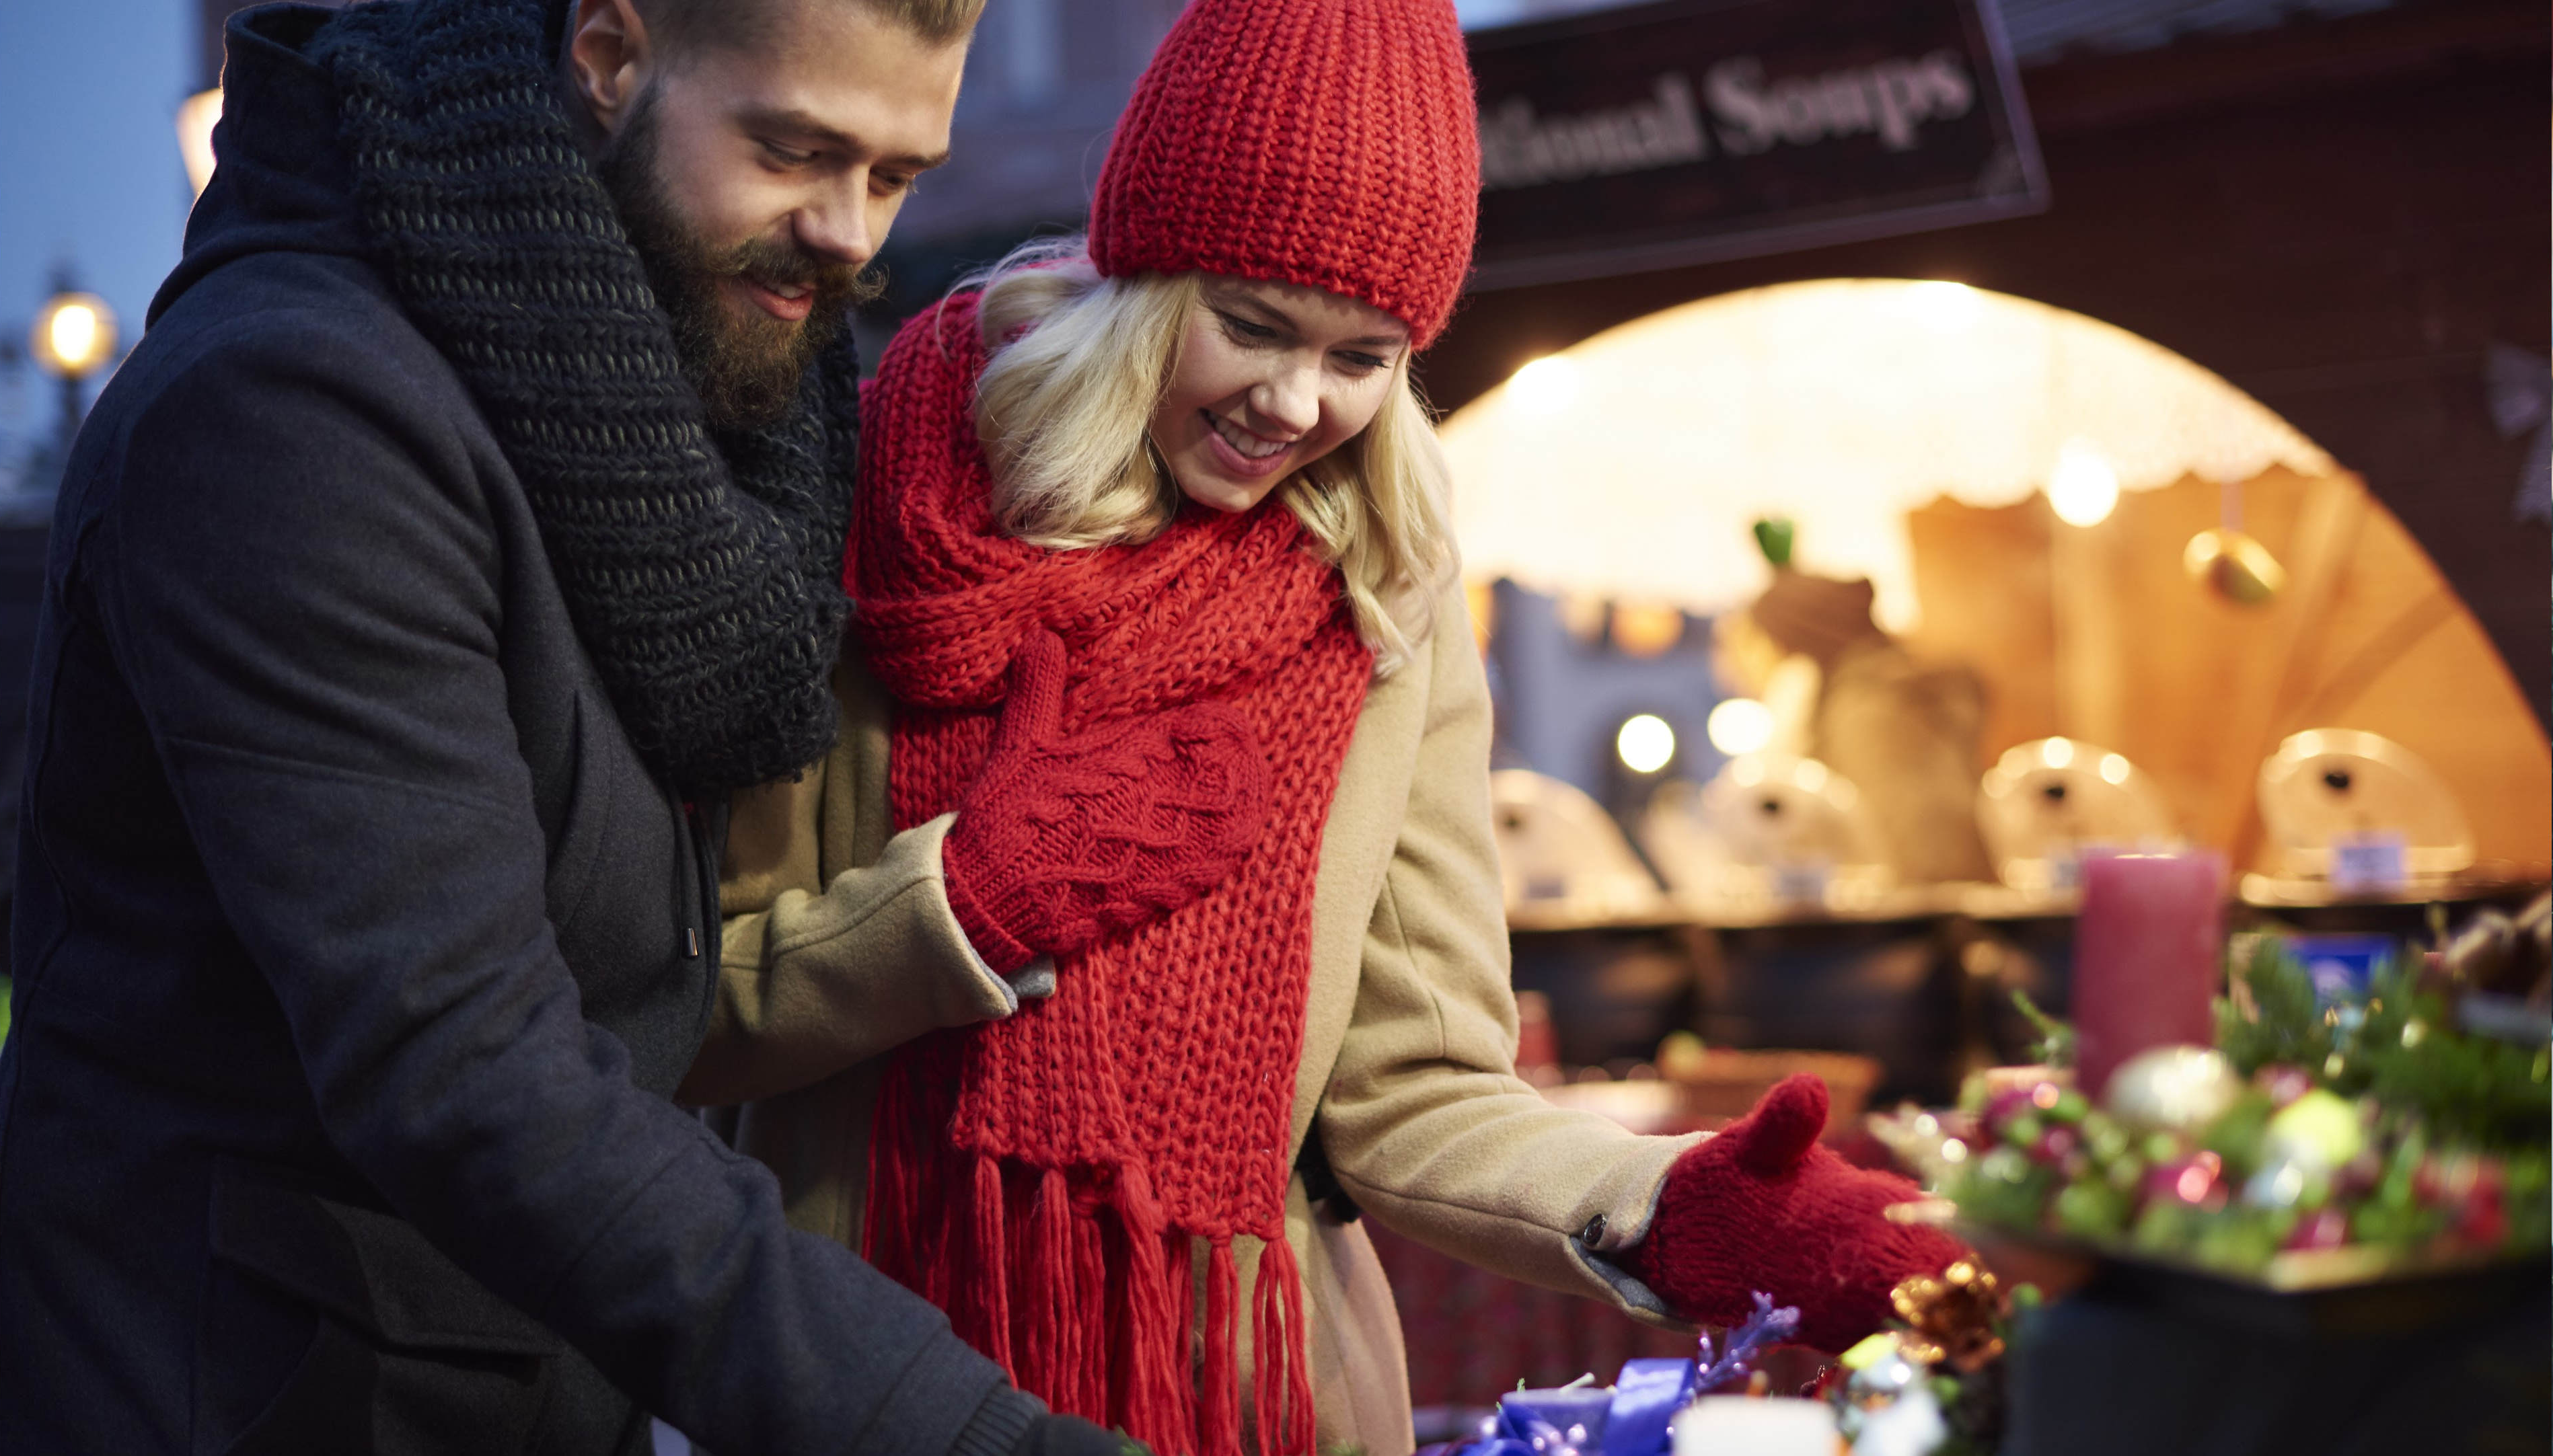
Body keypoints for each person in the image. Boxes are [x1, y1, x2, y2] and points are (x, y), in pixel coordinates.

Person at [681, 0, 1967, 1453]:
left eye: (1363, 354)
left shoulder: (1384, 600)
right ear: (1140, 281)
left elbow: (1415, 1094)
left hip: (1246, 1398)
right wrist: (957, 908)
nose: (1294, 401)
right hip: (865, 1376)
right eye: (1249, 326)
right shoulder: (852, 516)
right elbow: (668, 1012)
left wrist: (1672, 1205)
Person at [0, 1, 1131, 1453]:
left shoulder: (649, 401)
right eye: (797, 149)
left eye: (897, 176)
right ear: (606, 57)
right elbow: (475, 1073)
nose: (853, 231)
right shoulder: (290, 410)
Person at [1716, 558, 1997, 884]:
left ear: (1788, 645)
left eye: (1746, 649)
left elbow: (1929, 864)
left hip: (1918, 928)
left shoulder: (1873, 715)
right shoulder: (1850, 709)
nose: (1733, 673)